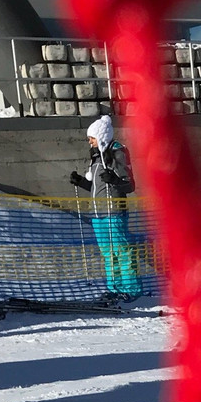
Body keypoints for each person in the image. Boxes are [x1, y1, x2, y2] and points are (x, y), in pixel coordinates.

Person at [69, 114, 142, 301]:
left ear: (101, 137)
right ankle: (115, 287)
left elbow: (129, 185)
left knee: (122, 250)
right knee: (108, 253)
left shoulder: (117, 152)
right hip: (97, 213)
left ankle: (131, 289)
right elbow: (97, 187)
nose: (89, 142)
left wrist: (116, 180)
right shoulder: (95, 157)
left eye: (91, 138)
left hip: (113, 211)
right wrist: (81, 182)